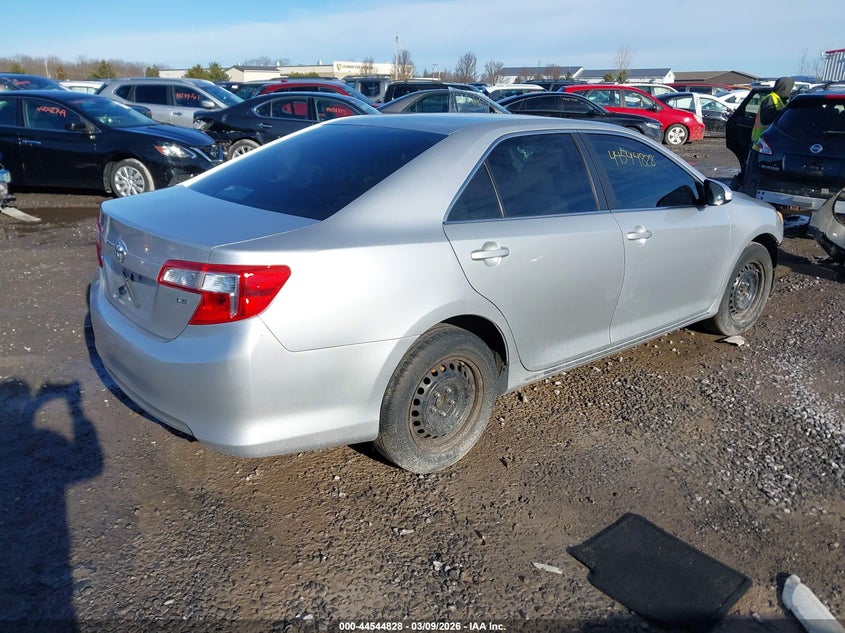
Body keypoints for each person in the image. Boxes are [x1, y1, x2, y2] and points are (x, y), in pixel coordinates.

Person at [742, 76, 794, 192]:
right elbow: (766, 119)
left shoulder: (779, 100)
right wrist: (783, 114)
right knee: (753, 176)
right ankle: (746, 193)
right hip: (760, 144)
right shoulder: (771, 99)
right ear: (784, 88)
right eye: (789, 88)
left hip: (769, 145)